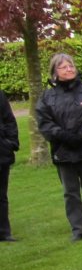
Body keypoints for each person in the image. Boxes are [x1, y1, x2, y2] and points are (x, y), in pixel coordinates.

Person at [36, 53, 82, 240]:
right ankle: (77, 230)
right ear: (55, 72)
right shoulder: (47, 97)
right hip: (63, 151)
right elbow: (45, 123)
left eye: (71, 66)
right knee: (70, 192)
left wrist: (81, 135)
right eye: (63, 67)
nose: (69, 69)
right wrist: (64, 136)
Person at [0, 88, 18, 242]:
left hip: (1, 151)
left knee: (1, 195)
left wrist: (11, 143)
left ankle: (4, 232)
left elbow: (9, 119)